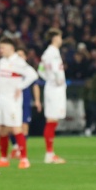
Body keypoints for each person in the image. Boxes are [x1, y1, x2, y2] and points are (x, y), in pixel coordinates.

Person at [0, 36, 39, 170]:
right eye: (0, 48)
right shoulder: (2, 61)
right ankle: (3, 159)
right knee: (1, 129)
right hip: (1, 100)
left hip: (13, 101)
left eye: (3, 48)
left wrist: (20, 86)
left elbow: (33, 75)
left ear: (11, 48)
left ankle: (24, 159)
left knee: (16, 128)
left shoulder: (18, 61)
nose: (0, 50)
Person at [38, 28, 67, 163]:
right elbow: (55, 70)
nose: (61, 40)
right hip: (55, 89)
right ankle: (49, 154)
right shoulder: (53, 53)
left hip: (50, 87)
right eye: (60, 37)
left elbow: (40, 70)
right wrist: (57, 80)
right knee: (52, 120)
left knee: (52, 120)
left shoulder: (46, 53)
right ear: (55, 38)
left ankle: (50, 153)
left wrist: (48, 79)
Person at [9, 47, 41, 160]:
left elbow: (35, 85)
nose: (19, 57)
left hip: (25, 99)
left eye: (21, 55)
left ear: (25, 57)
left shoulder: (28, 70)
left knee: (24, 124)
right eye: (18, 55)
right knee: (11, 124)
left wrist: (37, 100)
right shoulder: (11, 67)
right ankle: (15, 147)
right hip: (12, 99)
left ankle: (20, 149)